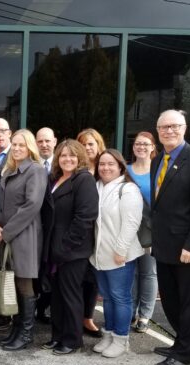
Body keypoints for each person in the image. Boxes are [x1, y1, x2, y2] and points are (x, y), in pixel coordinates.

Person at [150, 109, 190, 365]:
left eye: (174, 126)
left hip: (187, 249)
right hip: (164, 246)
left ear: (184, 128)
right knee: (171, 300)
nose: (169, 131)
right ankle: (181, 343)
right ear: (158, 131)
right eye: (164, 127)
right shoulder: (158, 159)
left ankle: (186, 355)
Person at [41, 139, 98, 355]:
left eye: (72, 155)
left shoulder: (84, 180)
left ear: (80, 158)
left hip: (72, 251)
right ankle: (57, 336)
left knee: (71, 295)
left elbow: (85, 217)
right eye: (63, 155)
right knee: (57, 296)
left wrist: (66, 247)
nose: (67, 159)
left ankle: (72, 340)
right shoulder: (55, 178)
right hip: (54, 249)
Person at [0, 129, 47, 351]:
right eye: (14, 144)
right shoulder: (10, 170)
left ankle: (26, 334)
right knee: (13, 283)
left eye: (21, 145)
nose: (16, 149)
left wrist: (6, 231)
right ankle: (16, 329)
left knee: (25, 284)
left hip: (24, 235)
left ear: (30, 148)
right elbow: (2, 203)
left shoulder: (35, 170)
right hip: (7, 233)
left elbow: (31, 206)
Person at [90, 149, 144, 358]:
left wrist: (121, 250)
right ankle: (109, 334)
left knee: (120, 297)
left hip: (120, 255)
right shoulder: (97, 187)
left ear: (121, 166)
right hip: (99, 255)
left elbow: (131, 223)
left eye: (110, 164)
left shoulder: (128, 189)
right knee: (108, 298)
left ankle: (121, 339)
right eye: (102, 164)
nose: (105, 168)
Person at [76, 128, 106, 338]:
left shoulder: (105, 168)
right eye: (83, 144)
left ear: (98, 145)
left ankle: (88, 317)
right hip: (82, 231)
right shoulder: (77, 170)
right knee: (80, 276)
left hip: (102, 231)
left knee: (94, 277)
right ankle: (78, 317)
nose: (87, 148)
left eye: (91, 144)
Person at [127, 131, 158, 334]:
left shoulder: (158, 171)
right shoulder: (126, 170)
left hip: (151, 230)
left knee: (148, 273)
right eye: (138, 143)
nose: (142, 147)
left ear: (153, 147)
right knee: (130, 273)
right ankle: (130, 312)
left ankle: (144, 315)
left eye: (146, 144)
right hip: (128, 229)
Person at [35, 127, 57, 323]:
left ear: (55, 141)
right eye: (40, 141)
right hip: (34, 227)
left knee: (51, 271)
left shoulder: (63, 165)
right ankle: (37, 310)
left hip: (55, 228)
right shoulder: (32, 165)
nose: (44, 144)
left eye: (47, 141)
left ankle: (45, 309)